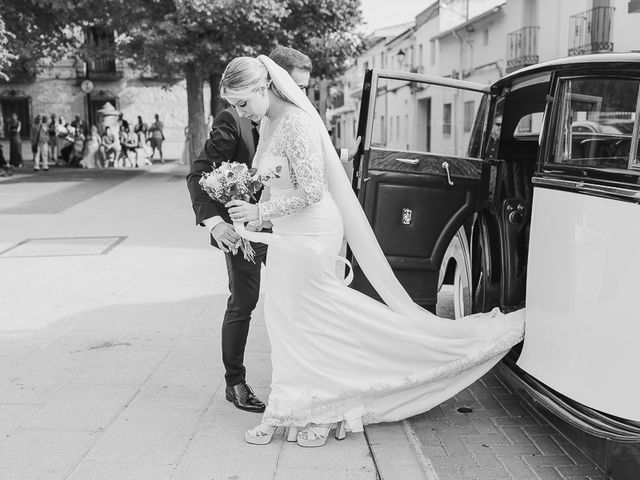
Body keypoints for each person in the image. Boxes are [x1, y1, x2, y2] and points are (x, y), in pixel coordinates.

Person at [220, 56, 525, 447]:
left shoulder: (296, 122)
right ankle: (287, 406)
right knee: (285, 320)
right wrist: (252, 213)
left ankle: (323, 410)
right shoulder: (266, 123)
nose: (241, 113)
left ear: (263, 88)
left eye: (243, 103)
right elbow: (276, 182)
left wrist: (259, 211)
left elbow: (312, 191)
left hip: (311, 232)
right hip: (285, 233)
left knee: (312, 321)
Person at [186, 99, 268, 415]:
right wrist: (217, 224)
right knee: (244, 301)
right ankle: (235, 382)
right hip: (242, 231)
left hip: (286, 225)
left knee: (295, 300)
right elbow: (198, 174)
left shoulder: (291, 116)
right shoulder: (232, 120)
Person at [269, 46, 361, 162]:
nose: (303, 94)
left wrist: (346, 154)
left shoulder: (295, 119)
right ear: (277, 82)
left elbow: (311, 150)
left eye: (305, 88)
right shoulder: (243, 117)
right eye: (299, 87)